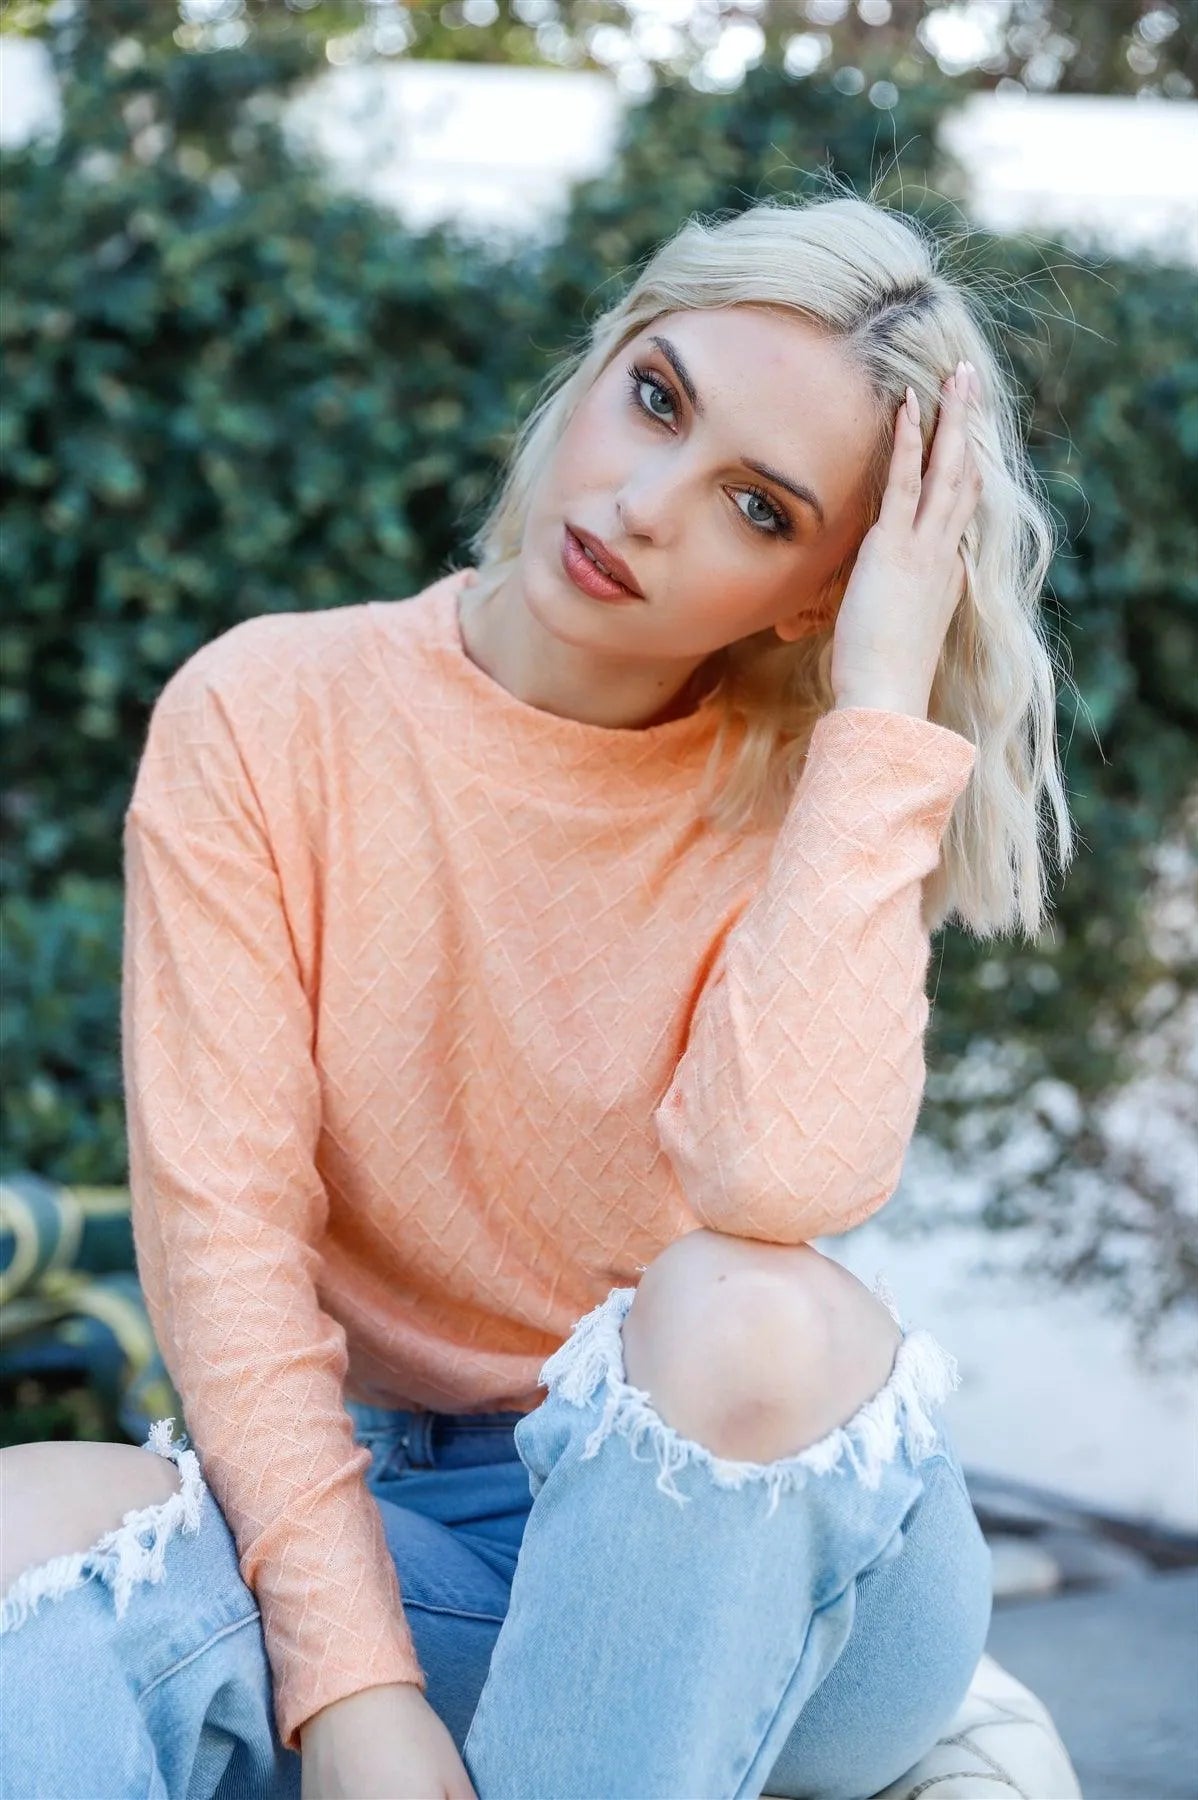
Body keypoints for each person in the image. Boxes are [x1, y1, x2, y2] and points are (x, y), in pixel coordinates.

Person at [0, 190, 1074, 1800]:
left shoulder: (813, 799)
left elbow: (776, 1183)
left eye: (758, 509)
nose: (643, 506)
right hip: (407, 1526)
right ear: (601, 359)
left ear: (819, 592)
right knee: (17, 1533)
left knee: (739, 1305)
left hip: (753, 1558)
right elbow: (226, 1243)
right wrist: (352, 1686)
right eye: (657, 398)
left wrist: (874, 710)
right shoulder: (266, 716)